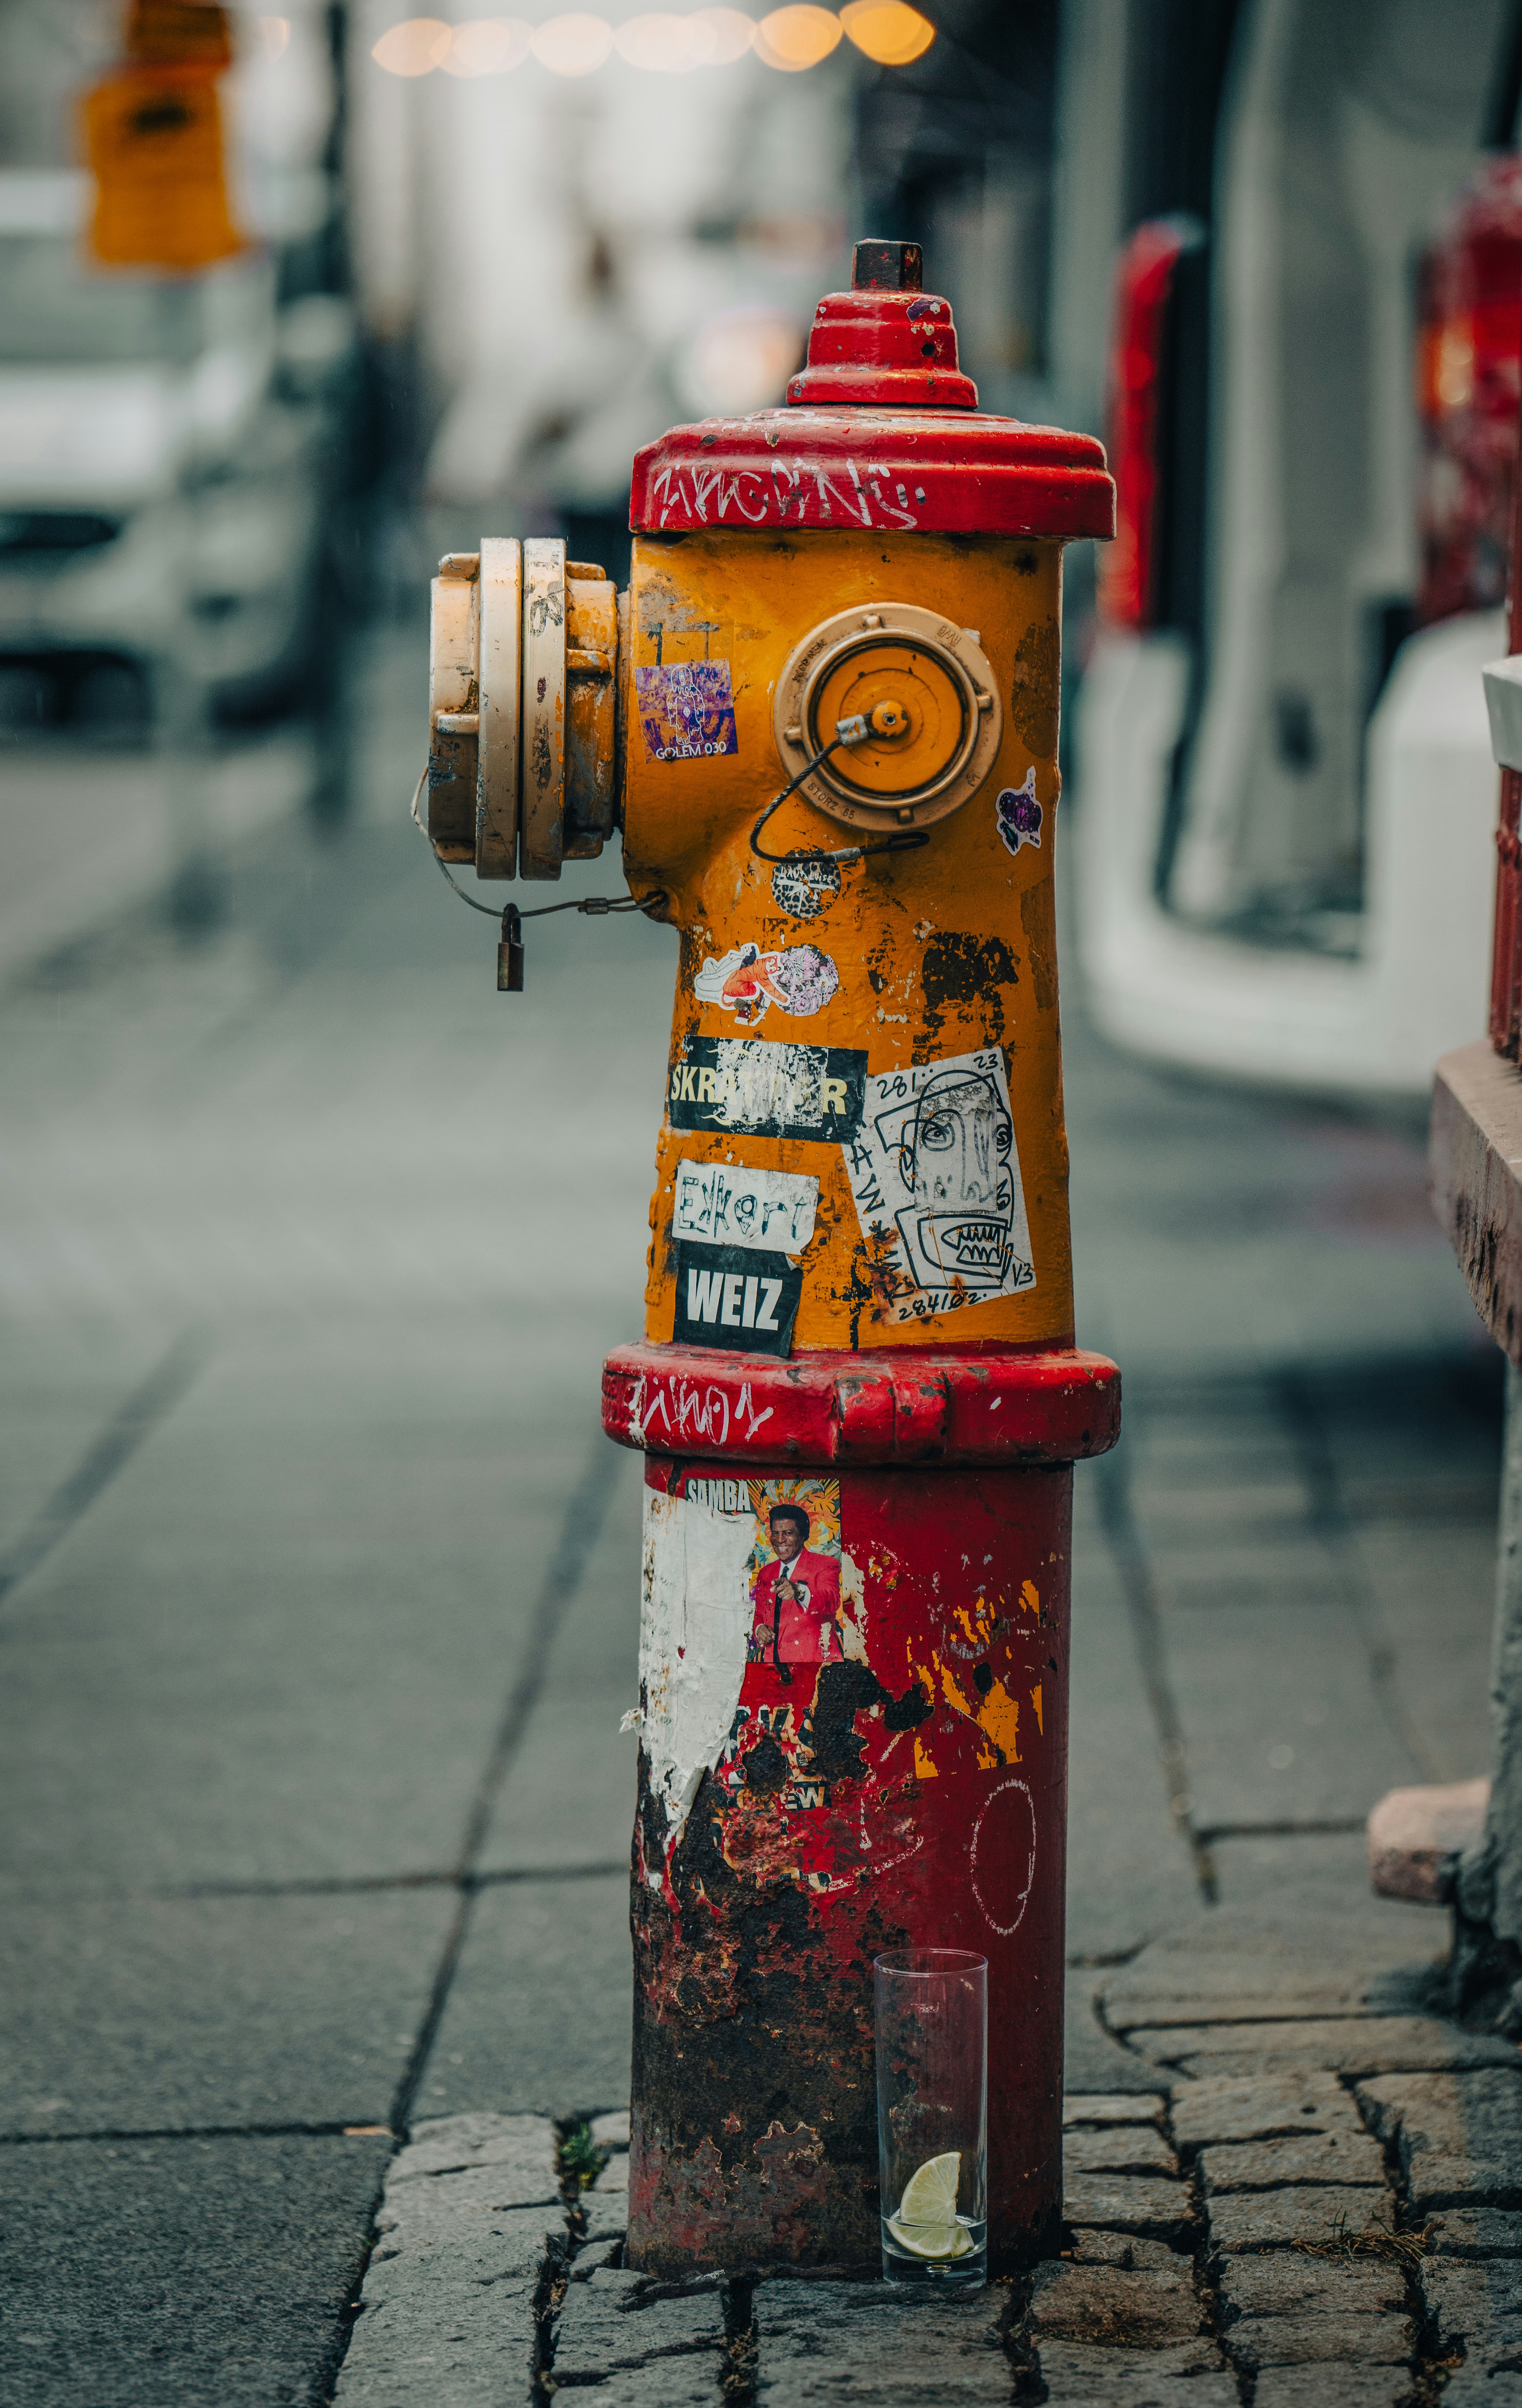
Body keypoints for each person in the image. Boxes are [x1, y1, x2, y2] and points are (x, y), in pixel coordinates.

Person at [749, 1502, 842, 1679]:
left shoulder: (826, 1564)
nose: (780, 1540)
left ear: (803, 1536)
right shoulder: (765, 1573)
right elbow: (759, 1615)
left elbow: (832, 1600)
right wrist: (760, 1629)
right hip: (774, 1670)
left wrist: (799, 1591)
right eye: (775, 1533)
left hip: (818, 1669)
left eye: (788, 1533)